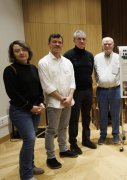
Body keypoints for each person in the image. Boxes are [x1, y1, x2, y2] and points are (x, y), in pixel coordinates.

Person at [3, 40, 45, 180]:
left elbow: (39, 88)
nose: (21, 52)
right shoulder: (10, 70)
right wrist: (30, 107)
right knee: (29, 139)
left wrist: (41, 102)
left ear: (28, 51)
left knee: (30, 141)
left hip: (35, 109)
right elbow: (13, 94)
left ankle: (30, 166)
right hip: (20, 111)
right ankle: (26, 175)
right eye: (16, 50)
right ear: (12, 54)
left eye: (23, 49)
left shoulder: (33, 68)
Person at [38, 34, 78, 170]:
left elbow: (72, 81)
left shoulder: (67, 62)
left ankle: (63, 149)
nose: (57, 44)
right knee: (51, 130)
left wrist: (70, 96)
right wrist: (62, 99)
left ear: (62, 44)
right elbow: (47, 86)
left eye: (59, 42)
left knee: (63, 127)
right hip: (54, 103)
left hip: (68, 101)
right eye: (54, 42)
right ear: (49, 44)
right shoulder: (43, 62)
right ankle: (50, 156)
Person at [63, 30, 96, 155]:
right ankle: (73, 143)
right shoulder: (67, 55)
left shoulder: (90, 55)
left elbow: (90, 72)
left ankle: (86, 140)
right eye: (79, 39)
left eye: (83, 39)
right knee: (74, 118)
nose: (82, 41)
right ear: (74, 40)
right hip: (75, 92)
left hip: (88, 91)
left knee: (87, 116)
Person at [94, 37, 121, 144]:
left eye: (109, 44)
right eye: (105, 44)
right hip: (101, 90)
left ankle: (115, 135)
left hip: (115, 90)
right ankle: (103, 135)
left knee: (115, 114)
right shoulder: (97, 57)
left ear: (113, 45)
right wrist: (100, 82)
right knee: (103, 114)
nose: (107, 46)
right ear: (102, 45)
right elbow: (95, 74)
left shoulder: (119, 57)